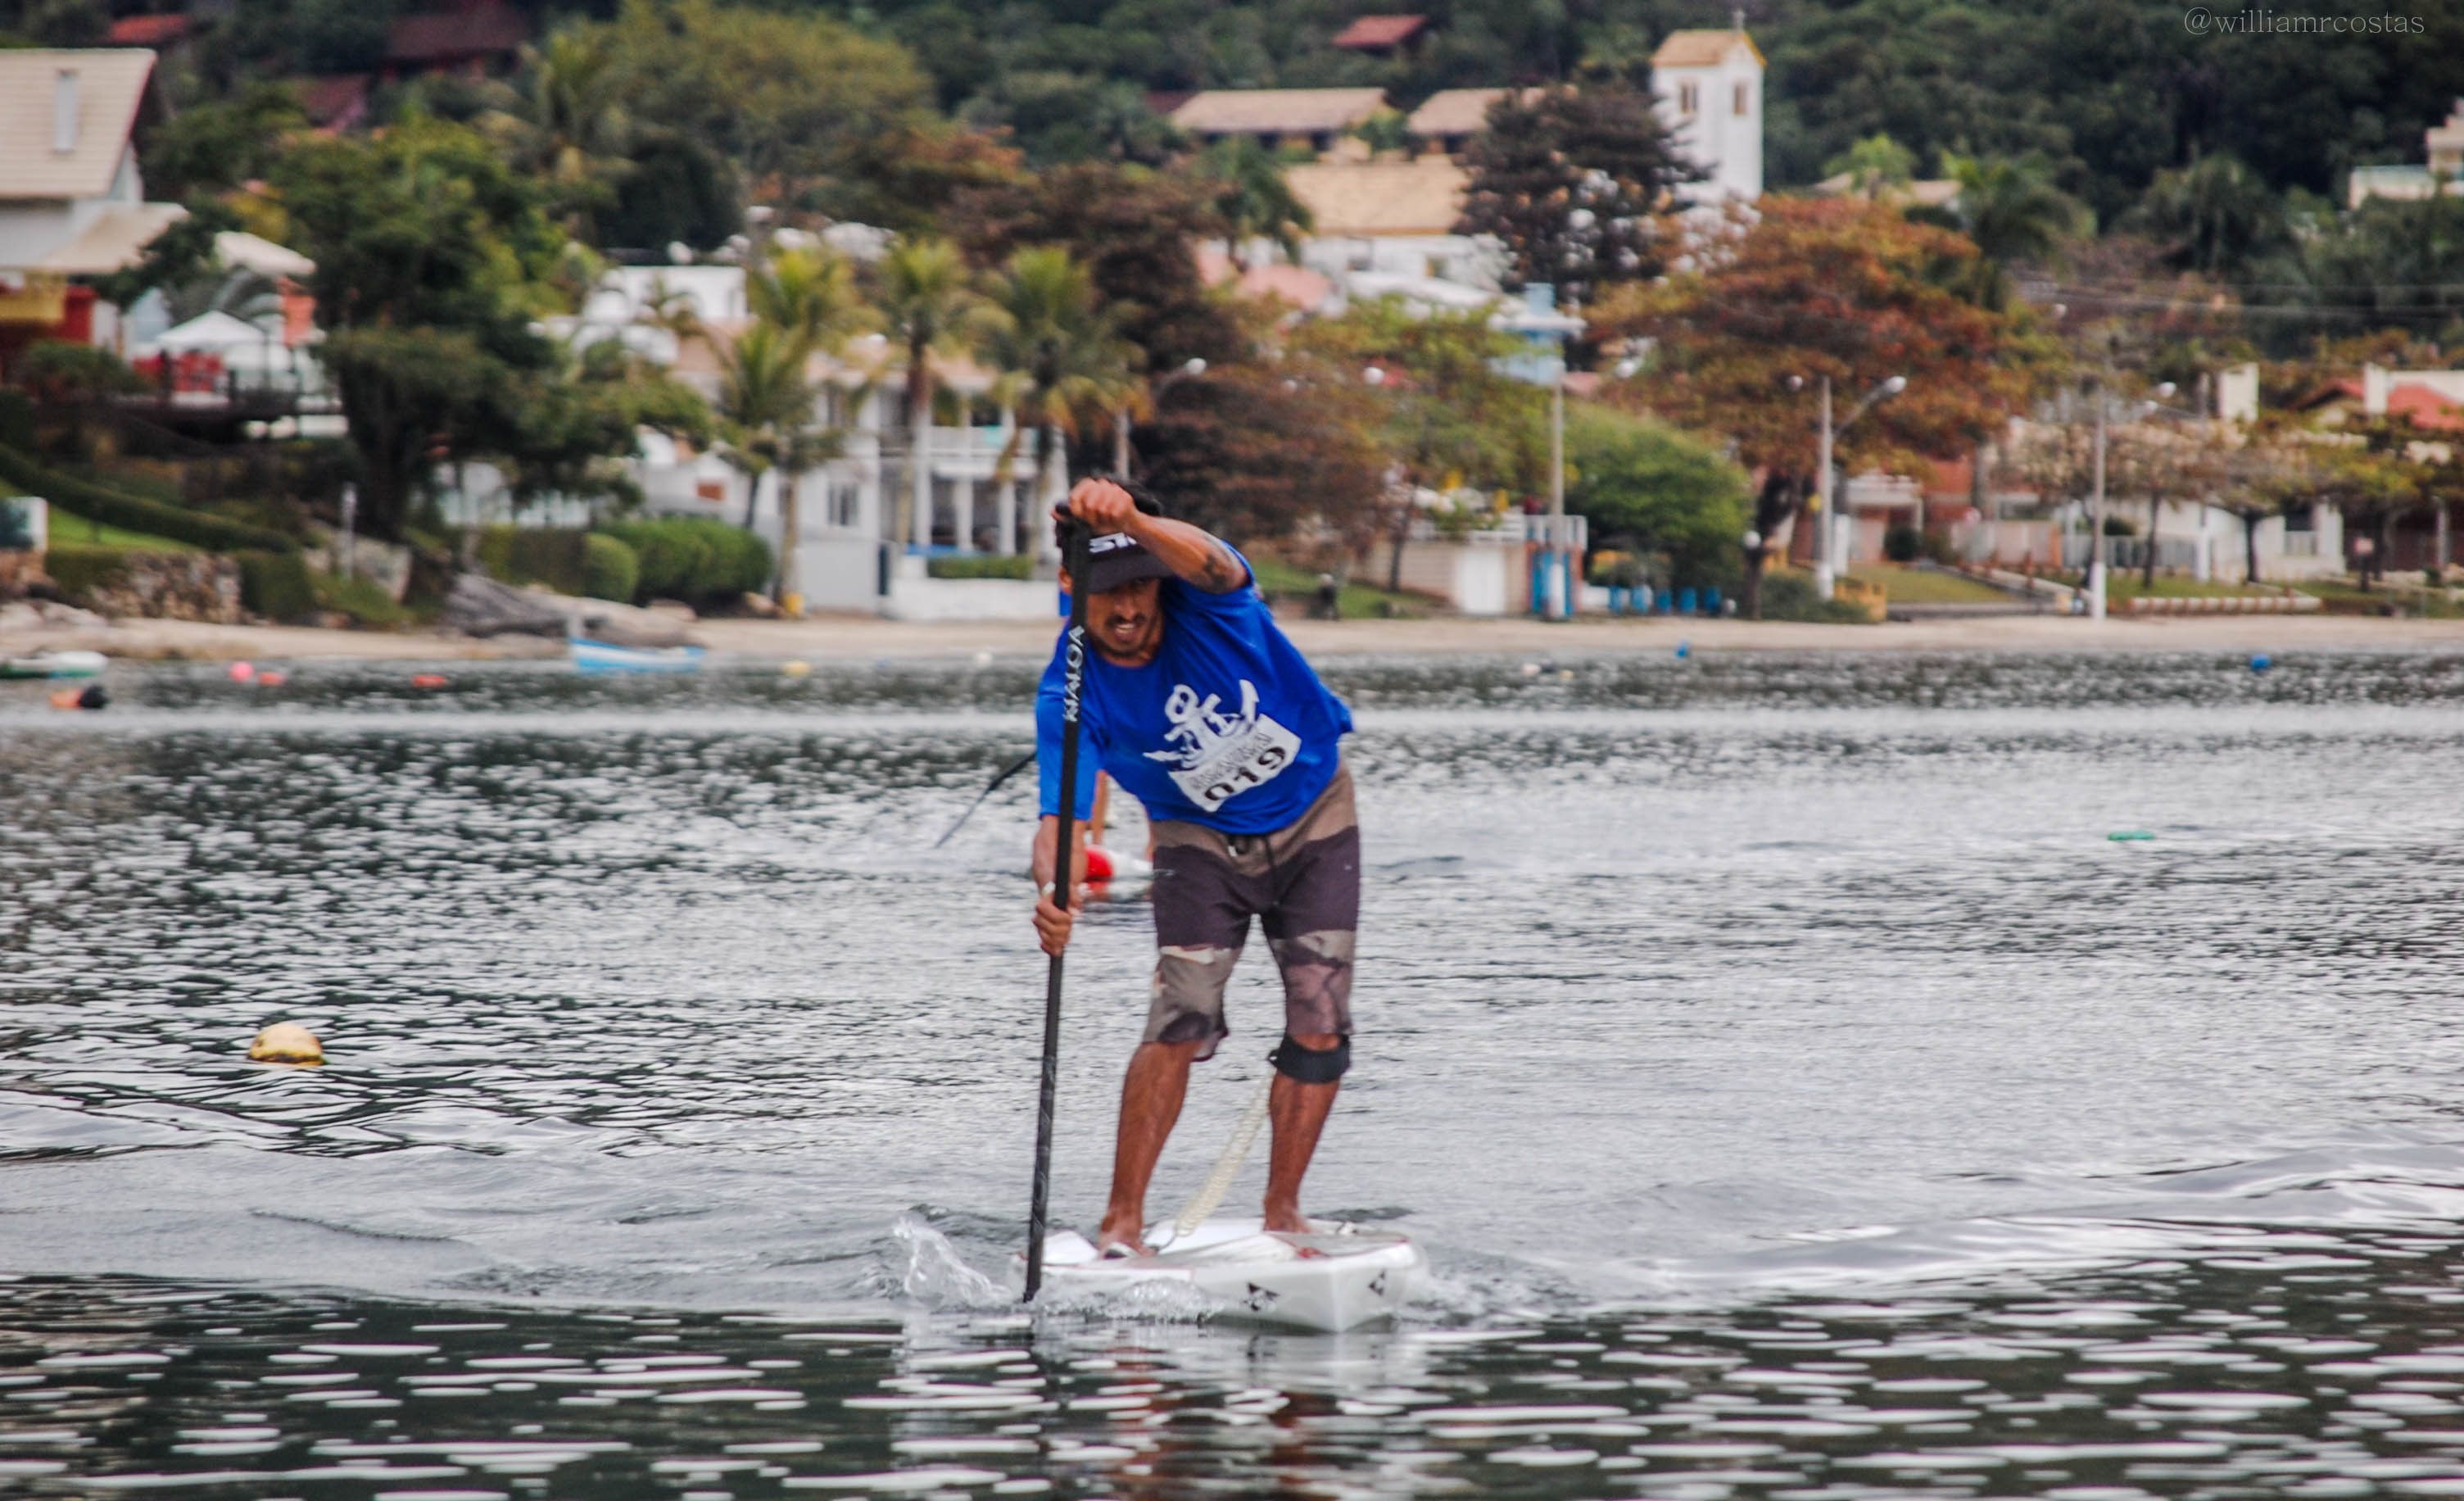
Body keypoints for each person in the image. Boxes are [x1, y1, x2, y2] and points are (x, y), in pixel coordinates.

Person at [1030, 476, 1360, 1257]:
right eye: (1106, 593)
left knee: (1320, 1018)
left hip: (1316, 816)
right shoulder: (1069, 689)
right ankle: (1122, 1224)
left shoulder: (1210, 602)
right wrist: (1055, 890)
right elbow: (1064, 823)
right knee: (1178, 1017)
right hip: (1195, 841)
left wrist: (1137, 522)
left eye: (1141, 584)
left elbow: (1216, 564)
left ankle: (1283, 1215)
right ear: (1069, 588)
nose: (1127, 610)